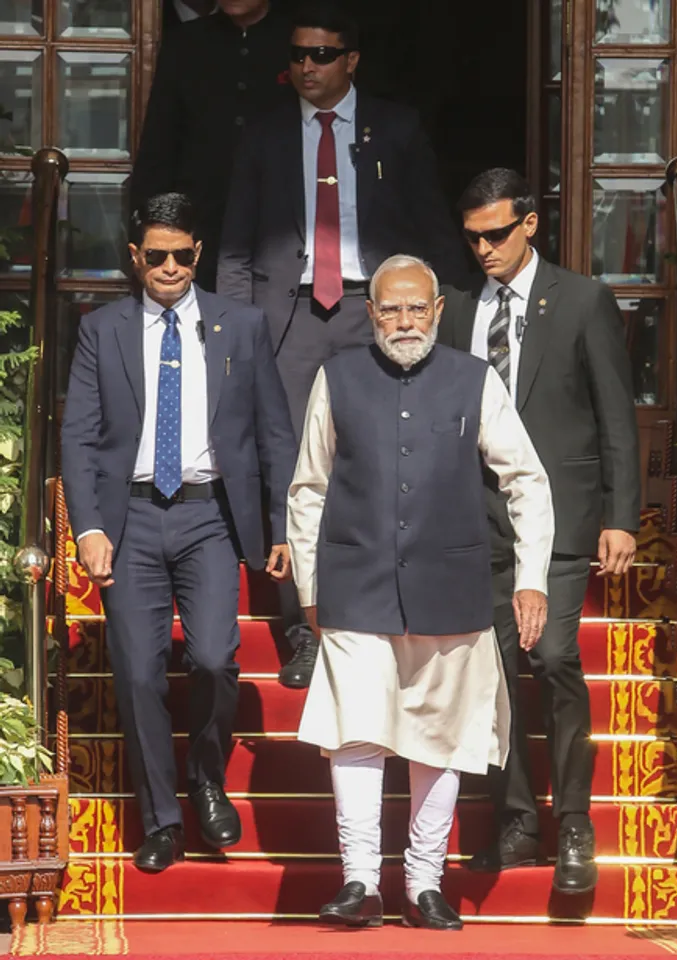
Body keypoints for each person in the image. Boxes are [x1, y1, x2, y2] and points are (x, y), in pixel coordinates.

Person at [287, 255, 554, 929]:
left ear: (438, 311)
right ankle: (359, 881)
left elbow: (526, 480)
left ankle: (424, 882)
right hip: (355, 583)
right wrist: (310, 587)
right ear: (370, 313)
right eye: (390, 309)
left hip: (451, 585)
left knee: (439, 737)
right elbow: (309, 488)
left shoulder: (474, 379)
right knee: (356, 734)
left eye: (416, 308)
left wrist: (530, 578)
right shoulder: (338, 376)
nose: (404, 321)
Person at [218, 2, 468, 688]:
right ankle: (304, 628)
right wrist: (237, 336)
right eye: (298, 54)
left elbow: (432, 228)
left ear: (351, 60)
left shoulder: (397, 127)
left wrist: (453, 319)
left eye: (322, 55)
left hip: (376, 312)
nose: (307, 66)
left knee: (385, 459)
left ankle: (382, 613)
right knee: (294, 472)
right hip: (288, 317)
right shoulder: (264, 134)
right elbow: (237, 244)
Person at [61, 193, 297, 873]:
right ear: (135, 258)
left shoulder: (241, 325)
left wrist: (279, 523)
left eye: (182, 254)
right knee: (137, 674)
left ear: (198, 253)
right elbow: (78, 436)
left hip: (210, 515)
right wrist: (89, 529)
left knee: (217, 659)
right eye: (156, 255)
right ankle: (163, 818)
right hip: (130, 519)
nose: (170, 267)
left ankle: (206, 778)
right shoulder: (101, 330)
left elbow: (274, 432)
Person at [438, 168, 641, 895]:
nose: (484, 249)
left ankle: (576, 821)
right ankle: (517, 818)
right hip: (478, 517)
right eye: (472, 238)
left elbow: (616, 415)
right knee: (491, 670)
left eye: (496, 233)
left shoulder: (583, 300)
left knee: (553, 655)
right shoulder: (456, 306)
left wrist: (621, 515)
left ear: (530, 224)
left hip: (561, 516)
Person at [131, 0, 291, 292]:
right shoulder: (187, 41)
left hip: (279, 215)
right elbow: (160, 139)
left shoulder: (295, 39)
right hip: (199, 212)